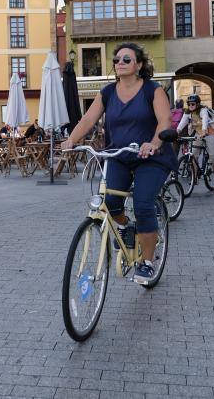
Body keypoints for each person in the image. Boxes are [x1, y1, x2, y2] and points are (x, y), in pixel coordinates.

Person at [62, 42, 176, 285]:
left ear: (139, 65)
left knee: (144, 204)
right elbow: (88, 119)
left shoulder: (152, 91)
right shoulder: (108, 92)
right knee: (111, 202)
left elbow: (164, 120)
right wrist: (71, 140)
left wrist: (154, 143)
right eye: (116, 60)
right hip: (118, 156)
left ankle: (146, 262)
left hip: (150, 157)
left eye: (126, 59)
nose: (120, 63)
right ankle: (126, 229)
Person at [177, 94, 214, 192]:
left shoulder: (203, 111)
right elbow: (182, 123)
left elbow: (205, 121)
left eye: (193, 104)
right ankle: (195, 178)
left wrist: (204, 131)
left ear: (197, 104)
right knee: (193, 156)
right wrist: (176, 132)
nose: (191, 106)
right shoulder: (187, 113)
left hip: (209, 133)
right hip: (198, 135)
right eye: (189, 104)